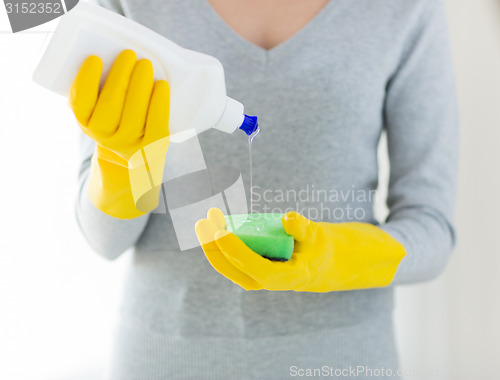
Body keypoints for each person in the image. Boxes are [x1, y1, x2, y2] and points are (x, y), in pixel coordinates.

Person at [73, 0, 459, 378]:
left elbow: (431, 228)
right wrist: (122, 165)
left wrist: (336, 258)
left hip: (342, 359)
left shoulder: (405, 8)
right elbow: (107, 241)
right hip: (166, 357)